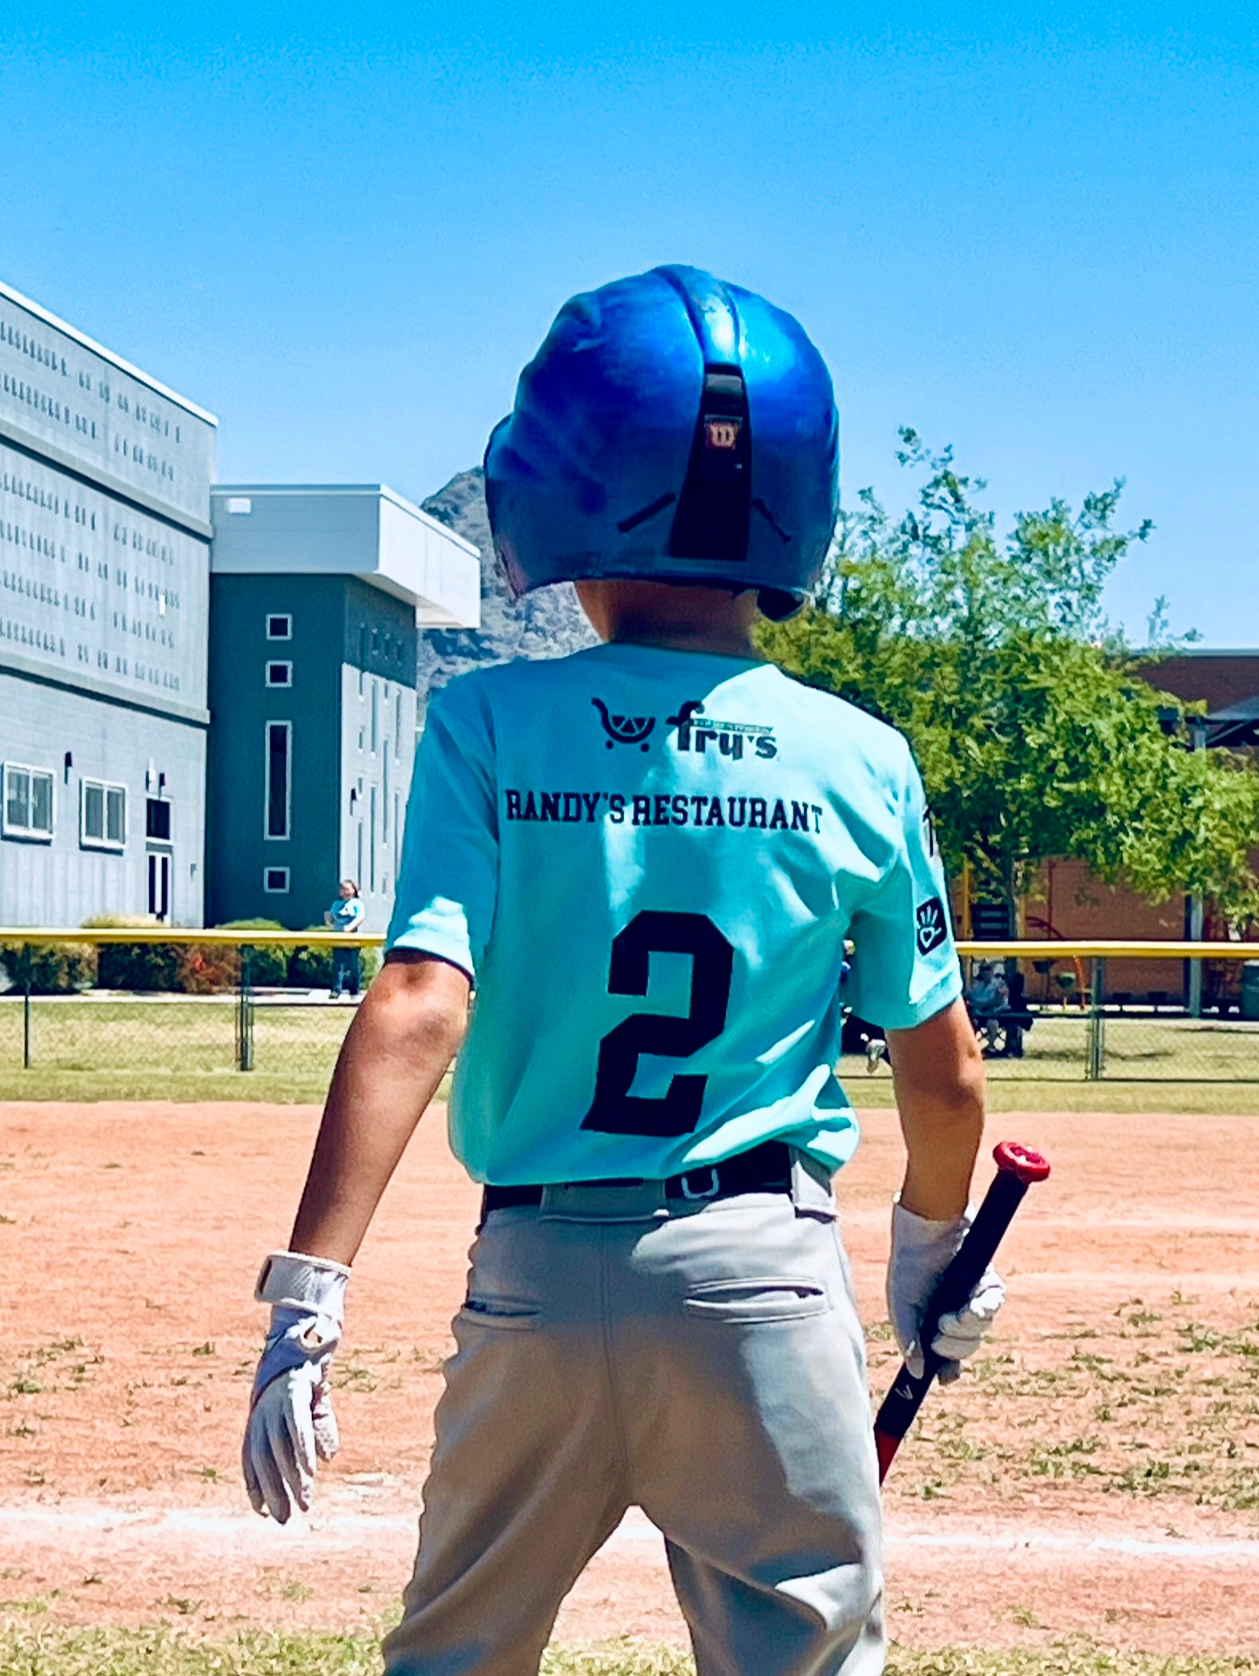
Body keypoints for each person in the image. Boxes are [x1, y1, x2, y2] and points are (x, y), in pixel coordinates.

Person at [241, 266, 1003, 1676]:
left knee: (455, 1657)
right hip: (762, 1279)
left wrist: (309, 1293)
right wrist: (926, 1256)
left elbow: (420, 1000)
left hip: (533, 1272)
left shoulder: (487, 723)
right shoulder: (858, 756)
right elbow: (943, 1070)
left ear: (562, 486)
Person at [325, 879, 364, 999]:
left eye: (348, 889)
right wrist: (328, 918)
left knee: (353, 965)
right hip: (338, 938)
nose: (345, 891)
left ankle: (354, 989)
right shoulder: (336, 904)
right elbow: (331, 920)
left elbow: (360, 917)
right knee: (338, 965)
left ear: (353, 890)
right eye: (343, 889)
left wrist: (350, 927)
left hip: (353, 938)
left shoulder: (357, 903)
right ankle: (336, 990)